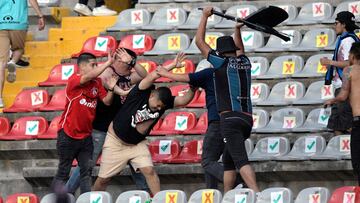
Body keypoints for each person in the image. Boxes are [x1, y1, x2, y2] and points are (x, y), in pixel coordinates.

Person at [93, 53, 196, 195]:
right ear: (152, 95)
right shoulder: (140, 92)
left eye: (161, 108)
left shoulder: (164, 103)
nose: (159, 109)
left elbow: (183, 100)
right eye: (158, 106)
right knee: (103, 179)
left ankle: (158, 200)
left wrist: (193, 88)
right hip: (115, 142)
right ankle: (91, 199)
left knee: (150, 171)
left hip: (137, 144)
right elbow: (154, 74)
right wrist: (172, 65)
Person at [65, 48, 150, 193]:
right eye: (123, 60)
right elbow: (105, 83)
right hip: (101, 127)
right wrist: (122, 91)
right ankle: (67, 193)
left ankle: (146, 193)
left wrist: (133, 62)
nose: (127, 65)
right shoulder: (107, 72)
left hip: (122, 129)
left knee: (137, 163)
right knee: (87, 163)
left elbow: (145, 76)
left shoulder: (129, 76)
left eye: (128, 61)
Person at [195, 7, 260, 193]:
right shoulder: (245, 62)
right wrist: (237, 30)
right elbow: (241, 50)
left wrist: (204, 17)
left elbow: (200, 42)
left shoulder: (221, 62)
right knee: (229, 161)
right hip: (247, 119)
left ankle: (257, 193)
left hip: (229, 119)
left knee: (240, 159)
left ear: (221, 53)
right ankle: (228, 195)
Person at [52, 52, 127, 200]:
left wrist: (111, 89)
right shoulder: (74, 80)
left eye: (96, 64)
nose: (96, 67)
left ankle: (86, 199)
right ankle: (56, 199)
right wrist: (107, 63)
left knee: (86, 173)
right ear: (82, 66)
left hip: (86, 137)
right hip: (68, 134)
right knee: (63, 172)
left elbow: (106, 101)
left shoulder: (96, 83)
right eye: (93, 65)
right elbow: (87, 77)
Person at [157, 63, 244, 189]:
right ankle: (211, 193)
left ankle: (237, 183)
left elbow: (188, 78)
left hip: (218, 122)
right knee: (214, 160)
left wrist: (166, 74)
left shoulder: (209, 73)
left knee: (207, 161)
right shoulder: (228, 75)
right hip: (233, 121)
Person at [325, 41, 360, 185]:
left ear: (352, 56)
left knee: (358, 163)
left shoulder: (349, 71)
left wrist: (332, 100)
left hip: (358, 121)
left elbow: (343, 95)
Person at [321, 11, 360, 135]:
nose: (335, 26)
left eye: (336, 23)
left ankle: (352, 151)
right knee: (336, 124)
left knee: (347, 124)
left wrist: (330, 62)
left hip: (347, 85)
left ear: (343, 24)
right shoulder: (342, 39)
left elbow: (350, 63)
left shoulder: (349, 40)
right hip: (340, 85)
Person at [0, 0, 45, 107]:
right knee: (19, 49)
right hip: (18, 24)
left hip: (1, 24)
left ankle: (0, 99)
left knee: (1, 64)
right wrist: (40, 15)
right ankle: (13, 61)